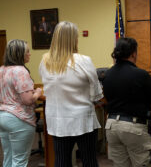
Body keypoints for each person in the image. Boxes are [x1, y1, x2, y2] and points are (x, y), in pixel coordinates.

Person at [39, 21, 103, 167]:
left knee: (62, 160)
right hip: (83, 119)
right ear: (73, 39)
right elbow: (97, 95)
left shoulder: (45, 61)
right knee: (89, 161)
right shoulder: (84, 61)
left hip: (58, 119)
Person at [102, 37, 151, 167]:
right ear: (133, 53)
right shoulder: (141, 74)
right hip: (134, 128)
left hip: (111, 127)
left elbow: (105, 99)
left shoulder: (108, 74)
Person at [0, 39, 42, 167]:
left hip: (3, 117)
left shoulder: (2, 69)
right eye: (27, 52)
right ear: (20, 54)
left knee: (8, 156)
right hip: (19, 119)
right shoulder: (20, 71)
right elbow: (28, 100)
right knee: (20, 161)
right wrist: (38, 93)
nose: (29, 54)